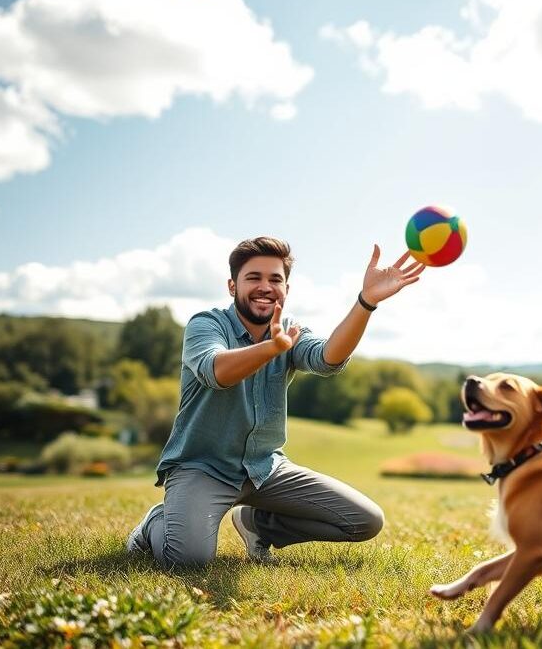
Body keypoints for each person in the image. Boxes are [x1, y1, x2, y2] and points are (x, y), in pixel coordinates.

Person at [126, 236, 424, 566]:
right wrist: (271, 348)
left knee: (365, 520)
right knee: (188, 561)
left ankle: (256, 524)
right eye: (253, 277)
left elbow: (328, 358)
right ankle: (155, 522)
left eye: (275, 279)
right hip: (203, 467)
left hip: (265, 468)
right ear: (232, 286)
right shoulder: (206, 324)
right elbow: (216, 371)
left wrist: (366, 302)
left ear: (286, 289)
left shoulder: (290, 330)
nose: (265, 287)